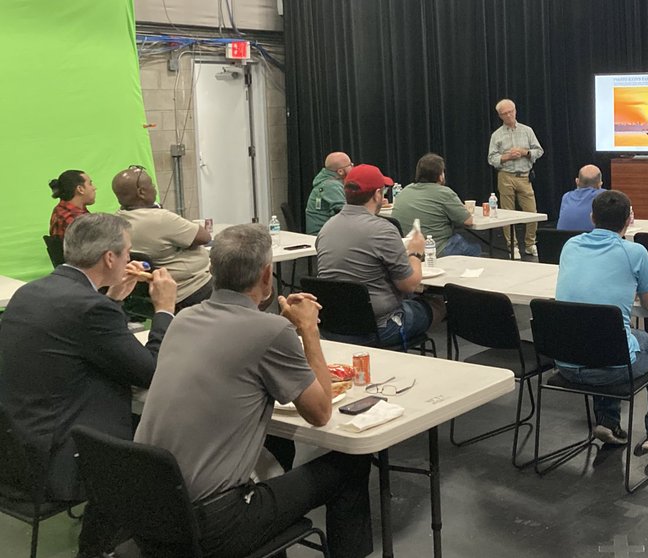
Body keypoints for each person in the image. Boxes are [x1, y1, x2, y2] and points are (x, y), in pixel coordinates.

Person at [135, 224, 371, 558]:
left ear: (212, 271)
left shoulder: (183, 318)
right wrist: (308, 329)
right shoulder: (271, 330)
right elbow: (320, 413)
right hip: (212, 524)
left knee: (276, 444)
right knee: (350, 466)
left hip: (150, 511)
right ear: (266, 276)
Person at [0, 213, 176, 557]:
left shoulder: (31, 292)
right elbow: (152, 372)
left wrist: (112, 301)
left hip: (17, 447)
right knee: (159, 446)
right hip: (62, 457)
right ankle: (101, 547)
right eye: (127, 253)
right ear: (110, 258)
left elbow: (72, 340)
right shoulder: (90, 308)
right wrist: (164, 310)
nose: (130, 260)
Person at [556, 190, 648, 455]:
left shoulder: (570, 246)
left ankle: (608, 421)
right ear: (629, 220)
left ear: (592, 217)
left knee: (601, 333)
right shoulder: (634, 252)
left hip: (565, 360)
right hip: (609, 367)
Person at [316, 164, 444, 349]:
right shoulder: (382, 230)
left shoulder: (326, 229)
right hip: (379, 328)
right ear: (377, 194)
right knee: (440, 303)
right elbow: (409, 284)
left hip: (332, 327)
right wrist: (415, 252)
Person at [113, 165, 214, 311]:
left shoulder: (117, 219)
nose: (155, 188)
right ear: (141, 192)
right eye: (152, 185)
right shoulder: (160, 219)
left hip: (152, 291)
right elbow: (204, 237)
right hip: (192, 288)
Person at [390, 153, 480, 256]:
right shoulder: (444, 193)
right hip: (435, 249)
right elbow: (468, 221)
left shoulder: (405, 190)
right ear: (440, 176)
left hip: (408, 251)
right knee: (475, 248)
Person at [488, 98, 544, 258]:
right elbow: (491, 159)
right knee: (507, 214)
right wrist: (507, 157)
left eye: (510, 112)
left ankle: (530, 244)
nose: (508, 115)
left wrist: (525, 152)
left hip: (524, 176)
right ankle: (512, 246)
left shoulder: (527, 131)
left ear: (515, 111)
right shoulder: (496, 135)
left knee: (532, 212)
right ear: (500, 116)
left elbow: (539, 151)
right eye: (504, 114)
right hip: (506, 176)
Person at [306, 151, 353, 234]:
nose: (353, 167)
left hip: (325, 234)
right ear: (340, 171)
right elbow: (346, 214)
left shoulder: (327, 182)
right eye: (350, 165)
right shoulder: (331, 185)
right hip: (322, 236)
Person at [48, 169, 97, 238]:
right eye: (90, 184)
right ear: (80, 189)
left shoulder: (58, 209)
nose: (94, 188)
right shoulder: (79, 221)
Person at [556, 164, 603, 232]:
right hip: (592, 242)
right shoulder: (604, 197)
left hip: (564, 241)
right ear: (600, 184)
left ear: (577, 181)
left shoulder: (566, 197)